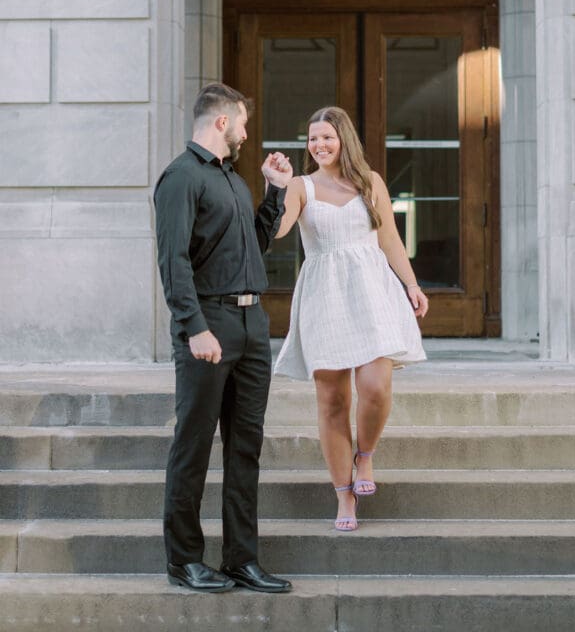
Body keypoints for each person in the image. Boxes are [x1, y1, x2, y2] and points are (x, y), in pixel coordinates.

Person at [154, 82, 293, 593]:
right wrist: (195, 328)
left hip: (252, 326)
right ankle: (183, 560)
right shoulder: (180, 178)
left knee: (245, 447)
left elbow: (252, 250)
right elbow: (174, 263)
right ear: (221, 122)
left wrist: (274, 192)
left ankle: (241, 559)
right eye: (242, 123)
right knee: (193, 445)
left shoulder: (234, 181)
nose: (246, 133)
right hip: (208, 325)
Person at [273, 106, 429, 531]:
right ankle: (344, 498)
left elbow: (390, 238)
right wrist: (277, 187)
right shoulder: (301, 187)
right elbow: (280, 229)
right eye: (312, 139)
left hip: (372, 291)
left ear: (344, 139)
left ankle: (366, 455)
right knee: (333, 400)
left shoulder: (370, 182)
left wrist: (411, 284)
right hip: (325, 295)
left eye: (327, 137)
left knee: (376, 386)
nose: (319, 145)